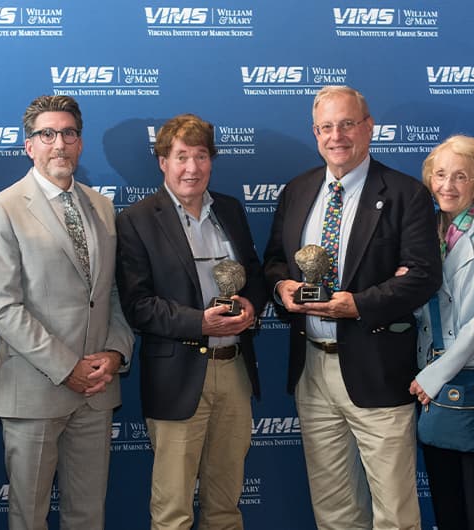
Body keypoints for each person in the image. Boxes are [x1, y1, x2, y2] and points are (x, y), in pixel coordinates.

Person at [263, 85, 441, 530]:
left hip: (378, 371)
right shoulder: (298, 190)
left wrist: (358, 305)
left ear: (369, 127)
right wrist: (281, 285)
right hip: (313, 372)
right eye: (326, 127)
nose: (336, 136)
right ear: (315, 133)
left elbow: (423, 276)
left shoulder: (405, 194)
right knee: (334, 510)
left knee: (395, 513)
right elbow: (273, 262)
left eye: (347, 124)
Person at [0, 95, 134, 530]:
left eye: (68, 133)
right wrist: (68, 368)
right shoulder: (1, 209)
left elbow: (114, 293)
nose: (58, 144)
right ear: (29, 146)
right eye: (47, 134)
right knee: (29, 517)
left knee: (88, 514)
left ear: (80, 143)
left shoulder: (102, 207)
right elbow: (4, 307)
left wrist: (115, 354)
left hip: (97, 390)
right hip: (35, 389)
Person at [115, 113, 267, 530]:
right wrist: (200, 322)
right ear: (162, 161)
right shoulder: (137, 219)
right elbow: (138, 305)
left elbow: (253, 274)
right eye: (181, 156)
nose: (192, 168)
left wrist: (252, 305)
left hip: (233, 371)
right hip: (177, 376)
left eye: (201, 156)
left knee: (225, 506)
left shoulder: (231, 210)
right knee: (173, 511)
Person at [409, 135, 474, 530]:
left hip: (473, 374)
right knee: (443, 488)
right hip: (428, 374)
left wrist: (434, 377)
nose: (447, 186)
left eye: (460, 176)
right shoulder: (423, 232)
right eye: (440, 175)